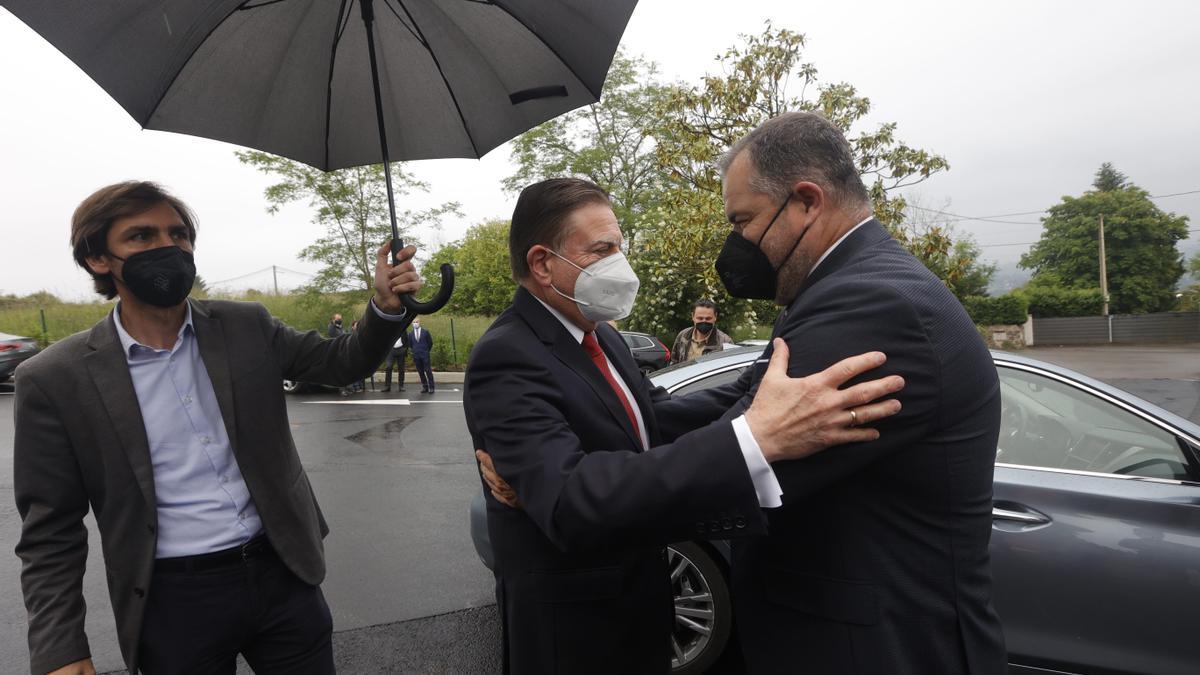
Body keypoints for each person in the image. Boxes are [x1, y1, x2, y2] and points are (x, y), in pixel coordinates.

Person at [465, 177, 904, 675]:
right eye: (601, 249)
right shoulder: (507, 355)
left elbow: (652, 416)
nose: (619, 264)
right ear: (542, 263)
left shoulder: (601, 337)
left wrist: (761, 388)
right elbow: (568, 502)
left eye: (619, 247)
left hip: (642, 605)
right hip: (575, 631)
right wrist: (752, 440)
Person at [13, 181, 421, 675]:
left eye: (179, 234)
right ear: (99, 259)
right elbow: (50, 529)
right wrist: (61, 648)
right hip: (173, 601)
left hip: (282, 574)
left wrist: (385, 308)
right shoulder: (55, 377)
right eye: (141, 237)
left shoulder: (246, 325)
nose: (169, 247)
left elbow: (341, 363)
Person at [669, 298, 732, 364]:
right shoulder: (683, 336)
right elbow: (674, 363)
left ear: (715, 317)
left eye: (708, 318)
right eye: (700, 318)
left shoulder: (725, 342)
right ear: (693, 316)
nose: (704, 321)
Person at [408, 319, 434, 393]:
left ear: (419, 323)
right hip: (416, 355)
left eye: (417, 322)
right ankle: (425, 386)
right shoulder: (410, 334)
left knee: (428, 370)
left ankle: (431, 387)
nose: (415, 323)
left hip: (425, 355)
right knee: (420, 371)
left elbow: (430, 343)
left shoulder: (425, 332)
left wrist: (426, 351)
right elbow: (410, 345)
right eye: (414, 322)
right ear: (412, 324)